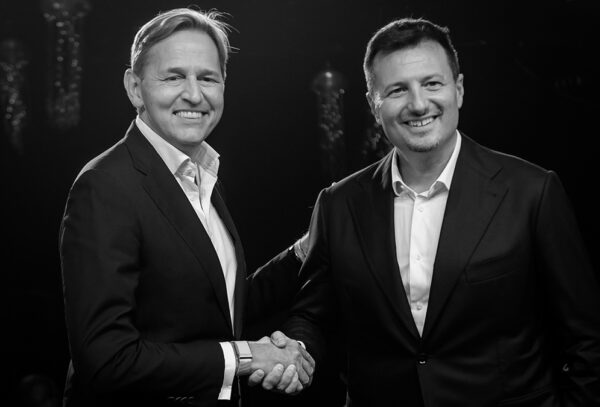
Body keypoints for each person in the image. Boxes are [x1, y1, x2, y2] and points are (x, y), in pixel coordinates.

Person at [275, 17, 600, 406]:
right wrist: (295, 348)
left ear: (458, 90)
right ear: (374, 105)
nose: (418, 104)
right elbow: (312, 314)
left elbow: (587, 339)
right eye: (397, 90)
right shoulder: (338, 203)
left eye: (432, 84)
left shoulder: (532, 191)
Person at [59, 8, 314, 407]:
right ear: (134, 88)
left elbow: (215, 307)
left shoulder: (200, 175)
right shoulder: (104, 185)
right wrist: (247, 357)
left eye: (207, 78)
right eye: (173, 77)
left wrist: (304, 251)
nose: (194, 95)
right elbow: (106, 359)